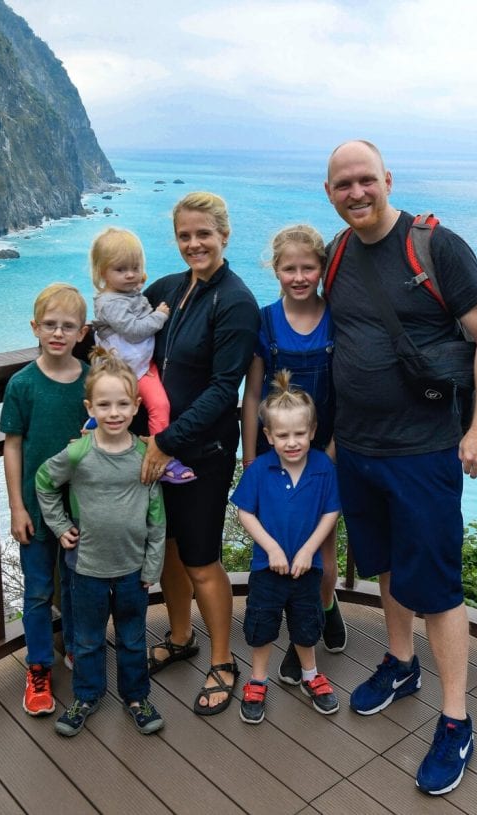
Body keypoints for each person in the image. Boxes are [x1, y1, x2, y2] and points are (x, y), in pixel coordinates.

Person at [323, 140, 477, 795]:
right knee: (385, 564)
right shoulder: (337, 253)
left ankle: (456, 717)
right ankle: (401, 663)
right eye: (343, 183)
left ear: (387, 179)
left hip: (425, 449)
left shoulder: (437, 246)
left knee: (437, 584)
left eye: (365, 179)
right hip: (359, 448)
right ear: (330, 192)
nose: (356, 192)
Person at [140, 191, 260, 715]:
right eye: (185, 235)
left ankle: (222, 660)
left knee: (202, 558)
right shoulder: (168, 289)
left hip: (202, 451)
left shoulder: (235, 301)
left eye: (203, 234)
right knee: (169, 547)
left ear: (224, 235)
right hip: (155, 449)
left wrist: (167, 442)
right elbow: (125, 337)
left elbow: (222, 389)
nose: (194, 244)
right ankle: (182, 634)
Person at [35, 348, 167, 737]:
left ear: (136, 406)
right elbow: (44, 482)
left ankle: (136, 697)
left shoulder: (145, 455)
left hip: (132, 570)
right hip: (87, 568)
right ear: (90, 406)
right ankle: (87, 696)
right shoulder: (79, 452)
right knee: (88, 640)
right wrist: (59, 525)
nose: (114, 412)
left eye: (123, 404)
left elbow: (157, 516)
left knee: (132, 638)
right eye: (104, 404)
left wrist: (153, 566)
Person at [240, 225, 347, 685]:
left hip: (323, 449)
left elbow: (347, 393)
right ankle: (296, 629)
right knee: (278, 542)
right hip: (272, 449)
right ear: (275, 270)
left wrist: (332, 452)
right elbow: (252, 393)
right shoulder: (265, 321)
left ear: (322, 269)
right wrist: (250, 457)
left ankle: (322, 607)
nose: (299, 276)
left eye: (308, 267)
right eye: (290, 268)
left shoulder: (337, 319)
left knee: (322, 546)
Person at [0, 282, 90, 717]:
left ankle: (75, 647)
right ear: (35, 328)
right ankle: (38, 666)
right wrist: (16, 506)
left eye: (67, 326)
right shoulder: (22, 384)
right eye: (50, 325)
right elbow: (12, 445)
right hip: (35, 510)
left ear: (83, 331)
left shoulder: (91, 380)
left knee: (76, 585)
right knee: (37, 591)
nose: (58, 333)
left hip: (82, 509)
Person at [232, 370, 341, 724]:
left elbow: (330, 512)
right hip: (268, 569)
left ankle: (310, 675)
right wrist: (272, 549)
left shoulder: (323, 467)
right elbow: (244, 512)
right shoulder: (260, 470)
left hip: (306, 569)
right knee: (262, 624)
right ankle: (258, 678)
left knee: (306, 624)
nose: (291, 442)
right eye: (282, 435)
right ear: (268, 435)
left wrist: (309, 550)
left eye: (299, 434)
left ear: (311, 432)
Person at [88, 226, 195, 483]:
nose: (130, 274)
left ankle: (162, 455)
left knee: (161, 405)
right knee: (112, 411)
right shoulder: (109, 303)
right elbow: (135, 331)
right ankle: (93, 433)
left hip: (143, 368)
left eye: (135, 268)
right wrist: (160, 315)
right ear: (103, 272)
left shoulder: (131, 295)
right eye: (121, 269)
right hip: (118, 374)